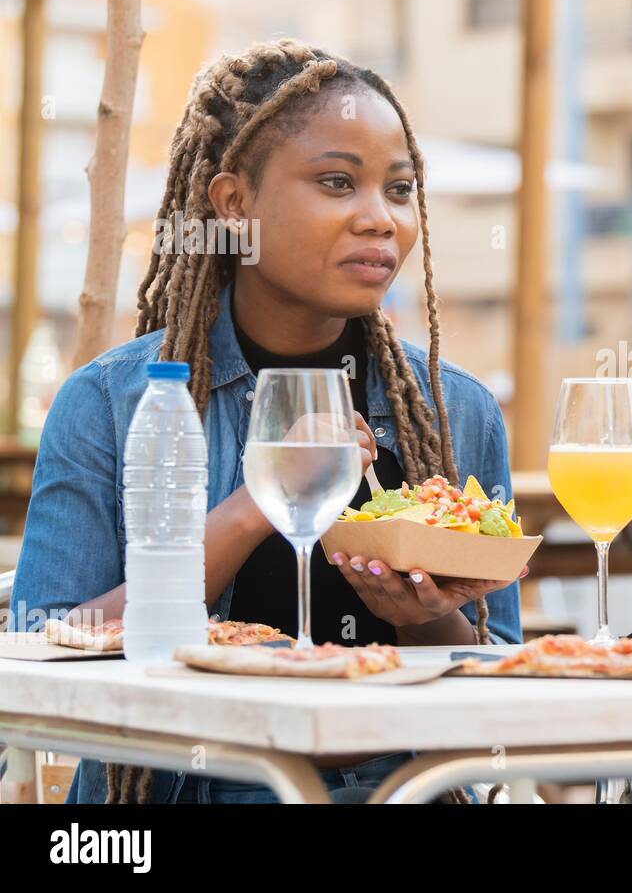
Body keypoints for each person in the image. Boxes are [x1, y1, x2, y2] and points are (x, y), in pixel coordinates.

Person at [13, 40, 521, 803]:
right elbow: (41, 656)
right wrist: (260, 500)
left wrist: (421, 616)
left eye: (401, 188)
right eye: (337, 183)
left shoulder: (455, 410)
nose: (379, 220)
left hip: (399, 789)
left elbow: (499, 691)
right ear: (233, 204)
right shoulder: (111, 404)